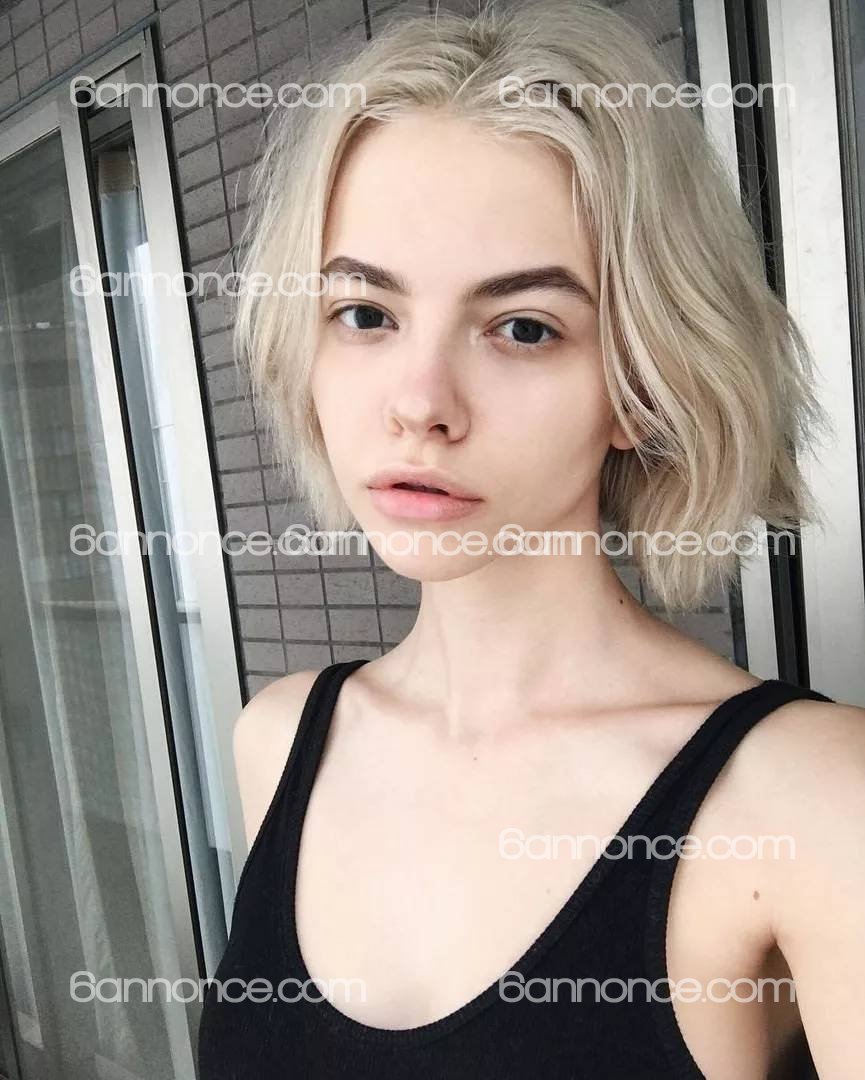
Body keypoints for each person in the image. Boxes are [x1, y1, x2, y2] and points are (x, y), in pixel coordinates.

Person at [197, 2, 865, 1076]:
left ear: (640, 383)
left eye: (522, 328)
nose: (420, 403)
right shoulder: (277, 742)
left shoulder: (811, 799)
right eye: (365, 314)